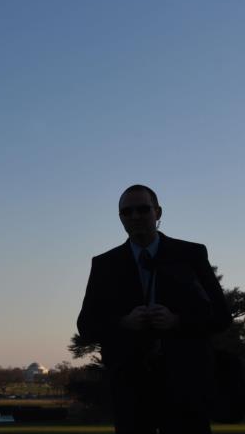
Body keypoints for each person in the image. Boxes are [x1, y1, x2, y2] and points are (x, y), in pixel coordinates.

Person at [77, 184, 231, 434]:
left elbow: (222, 317)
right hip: (131, 388)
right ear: (120, 219)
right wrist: (123, 323)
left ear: (158, 212)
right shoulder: (105, 264)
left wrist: (177, 321)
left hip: (186, 385)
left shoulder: (191, 254)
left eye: (142, 209)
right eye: (127, 212)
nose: (135, 216)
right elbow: (86, 325)